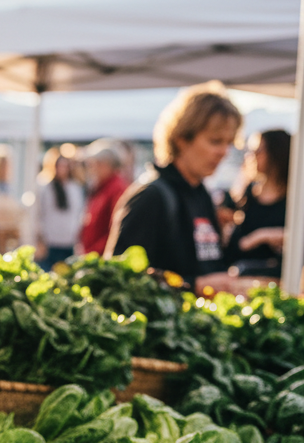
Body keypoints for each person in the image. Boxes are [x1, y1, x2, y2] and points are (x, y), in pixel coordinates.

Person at [106, 83, 241, 291]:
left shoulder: (201, 194)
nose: (224, 151)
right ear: (182, 139)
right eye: (215, 141)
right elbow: (118, 281)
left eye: (229, 142)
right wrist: (194, 285)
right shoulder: (150, 196)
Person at [224, 129, 289, 278]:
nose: (250, 156)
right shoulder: (244, 193)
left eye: (257, 151)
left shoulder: (295, 201)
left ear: (277, 153)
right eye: (250, 151)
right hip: (235, 271)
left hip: (273, 276)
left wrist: (262, 236)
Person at [36, 147, 85, 268]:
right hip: (50, 242)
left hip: (69, 242)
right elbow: (38, 214)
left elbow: (80, 213)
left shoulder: (75, 187)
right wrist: (39, 239)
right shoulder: (45, 187)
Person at [80, 139, 129, 256]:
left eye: (94, 164)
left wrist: (95, 252)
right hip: (93, 253)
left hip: (102, 257)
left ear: (105, 164)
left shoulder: (117, 188)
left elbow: (117, 228)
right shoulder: (101, 186)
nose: (92, 170)